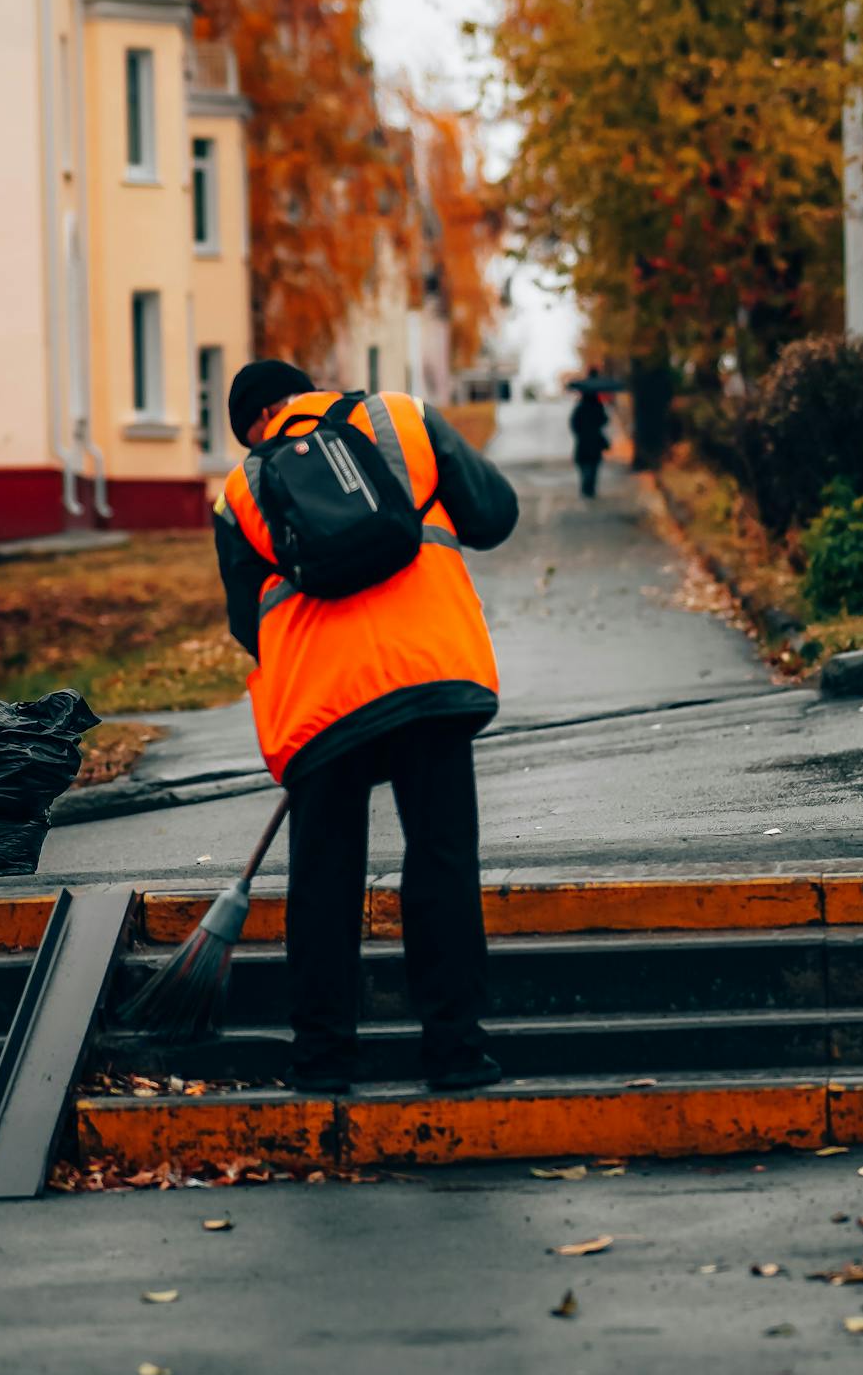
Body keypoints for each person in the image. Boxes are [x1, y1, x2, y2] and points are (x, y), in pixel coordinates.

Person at [213, 358, 519, 1095]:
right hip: (429, 676)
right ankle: (455, 1053)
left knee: (324, 879)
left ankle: (323, 1060)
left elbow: (245, 623)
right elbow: (493, 515)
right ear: (309, 390)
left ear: (255, 425)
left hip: (322, 703)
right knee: (441, 856)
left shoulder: (242, 488)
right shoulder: (399, 417)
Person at [569, 380, 610, 498]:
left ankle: (585, 486)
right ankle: (590, 488)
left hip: (582, 441)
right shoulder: (598, 407)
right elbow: (604, 421)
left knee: (583, 464)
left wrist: (580, 433)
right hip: (595, 441)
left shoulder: (580, 408)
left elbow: (573, 424)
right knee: (594, 465)